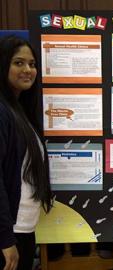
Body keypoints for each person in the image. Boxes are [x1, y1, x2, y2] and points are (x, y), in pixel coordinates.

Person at [0, 36, 53, 270]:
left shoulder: (20, 111)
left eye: (32, 64)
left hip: (24, 229)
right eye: (18, 63)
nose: (28, 70)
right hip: (8, 233)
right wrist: (4, 238)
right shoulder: (2, 111)